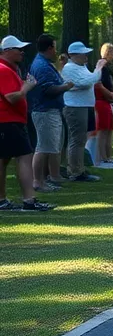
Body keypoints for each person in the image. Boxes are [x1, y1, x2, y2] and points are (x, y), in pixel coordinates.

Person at [0, 36, 53, 211]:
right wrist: (27, 87)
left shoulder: (10, 69)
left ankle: (2, 201)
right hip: (9, 122)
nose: (22, 52)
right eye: (18, 48)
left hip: (9, 122)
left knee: (3, 160)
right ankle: (29, 200)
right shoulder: (4, 70)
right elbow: (11, 97)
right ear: (6, 51)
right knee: (24, 158)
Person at [28, 34, 71, 193]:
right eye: (54, 47)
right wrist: (66, 86)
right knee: (43, 147)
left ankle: (49, 177)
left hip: (48, 110)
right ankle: (38, 181)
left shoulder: (44, 64)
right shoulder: (42, 66)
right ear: (49, 48)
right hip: (45, 111)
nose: (56, 51)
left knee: (49, 146)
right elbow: (48, 89)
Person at [60, 42, 106, 182]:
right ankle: (75, 171)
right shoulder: (69, 68)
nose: (86, 56)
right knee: (77, 139)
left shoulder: (82, 67)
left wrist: (95, 74)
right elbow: (85, 82)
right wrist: (98, 69)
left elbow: (90, 80)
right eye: (83, 53)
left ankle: (78, 168)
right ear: (73, 55)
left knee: (81, 139)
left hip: (84, 106)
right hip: (75, 107)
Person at [88, 43, 113, 169]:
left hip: (106, 102)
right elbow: (98, 84)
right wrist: (111, 95)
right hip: (100, 102)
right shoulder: (101, 67)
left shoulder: (107, 68)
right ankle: (101, 158)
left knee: (109, 130)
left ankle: (108, 158)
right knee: (102, 131)